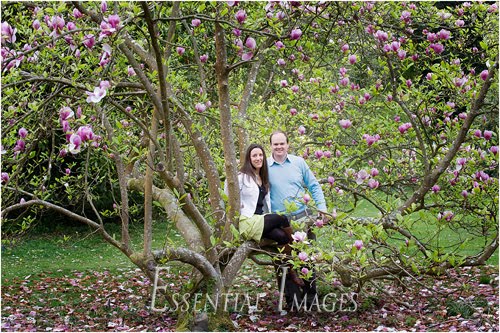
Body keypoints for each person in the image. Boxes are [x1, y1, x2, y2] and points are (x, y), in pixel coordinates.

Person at [225, 143, 304, 286]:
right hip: (248, 222)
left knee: (281, 237)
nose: (258, 158)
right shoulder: (242, 176)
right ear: (249, 158)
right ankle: (296, 255)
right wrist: (239, 209)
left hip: (261, 220)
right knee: (282, 219)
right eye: (254, 155)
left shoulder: (263, 177)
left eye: (260, 155)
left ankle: (290, 272)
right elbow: (227, 194)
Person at [267, 130, 328, 309]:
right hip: (279, 224)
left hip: (302, 218)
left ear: (288, 144)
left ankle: (311, 299)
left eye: (282, 143)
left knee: (306, 259)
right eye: (275, 144)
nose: (279, 147)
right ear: (270, 146)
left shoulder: (299, 162)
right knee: (283, 262)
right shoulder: (264, 166)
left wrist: (322, 208)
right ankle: (293, 301)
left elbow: (314, 185)